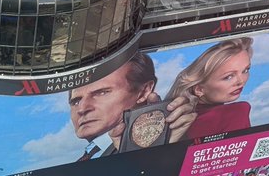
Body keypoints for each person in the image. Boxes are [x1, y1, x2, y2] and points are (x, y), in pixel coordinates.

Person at [67, 52, 196, 158]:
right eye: (75, 101)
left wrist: (163, 152)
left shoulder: (169, 142)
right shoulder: (86, 157)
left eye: (102, 93)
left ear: (144, 92)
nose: (82, 109)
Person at [164, 38, 255, 140]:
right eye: (228, 77)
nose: (241, 81)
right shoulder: (236, 113)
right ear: (199, 89)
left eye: (246, 70)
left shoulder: (181, 120)